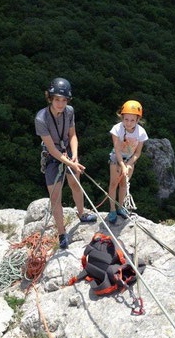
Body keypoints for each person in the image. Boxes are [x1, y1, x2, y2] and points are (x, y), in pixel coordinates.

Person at [34, 77, 97, 249]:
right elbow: (52, 150)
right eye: (57, 100)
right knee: (55, 197)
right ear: (50, 98)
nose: (60, 104)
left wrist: (74, 156)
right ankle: (62, 233)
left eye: (63, 100)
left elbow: (73, 136)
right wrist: (70, 163)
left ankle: (82, 214)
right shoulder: (41, 119)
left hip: (68, 151)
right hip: (52, 155)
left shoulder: (69, 111)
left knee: (75, 185)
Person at [108, 100, 148, 224]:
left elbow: (137, 153)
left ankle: (120, 207)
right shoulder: (117, 129)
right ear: (122, 117)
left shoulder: (141, 133)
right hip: (116, 159)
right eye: (126, 119)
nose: (129, 123)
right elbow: (117, 150)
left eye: (132, 120)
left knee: (124, 184)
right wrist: (122, 165)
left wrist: (129, 164)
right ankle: (112, 209)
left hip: (130, 160)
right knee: (114, 184)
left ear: (137, 120)